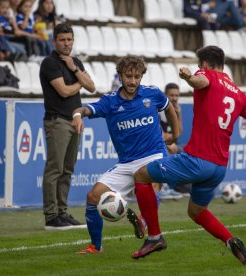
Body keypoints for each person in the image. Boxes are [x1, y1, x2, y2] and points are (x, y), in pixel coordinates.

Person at [130, 45, 246, 264]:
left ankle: (154, 237)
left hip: (195, 161)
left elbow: (202, 82)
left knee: (141, 175)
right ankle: (231, 242)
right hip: (218, 169)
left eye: (199, 65)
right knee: (196, 211)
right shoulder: (239, 93)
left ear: (205, 64)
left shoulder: (205, 74)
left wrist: (190, 78)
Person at [71, 55, 180, 254]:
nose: (132, 81)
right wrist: (77, 115)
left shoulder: (152, 94)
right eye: (128, 76)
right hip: (127, 162)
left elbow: (169, 108)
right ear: (120, 76)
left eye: (137, 76)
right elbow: (84, 109)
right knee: (93, 196)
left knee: (151, 185)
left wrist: (176, 133)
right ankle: (96, 246)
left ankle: (144, 221)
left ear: (141, 76)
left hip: (154, 154)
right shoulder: (110, 101)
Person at [40, 23, 95, 230]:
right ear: (54, 41)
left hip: (75, 121)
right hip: (58, 121)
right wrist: (80, 80)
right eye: (62, 40)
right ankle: (51, 216)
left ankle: (62, 213)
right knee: (55, 169)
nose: (66, 43)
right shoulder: (49, 63)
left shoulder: (75, 62)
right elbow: (64, 91)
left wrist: (74, 69)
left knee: (68, 170)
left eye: (69, 39)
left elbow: (92, 86)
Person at [155, 82, 185, 200]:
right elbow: (155, 131)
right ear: (165, 95)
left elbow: (179, 132)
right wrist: (168, 139)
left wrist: (177, 115)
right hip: (157, 144)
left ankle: (174, 186)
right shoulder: (158, 109)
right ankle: (162, 187)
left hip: (169, 143)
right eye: (171, 95)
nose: (174, 98)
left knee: (188, 154)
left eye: (177, 95)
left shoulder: (177, 109)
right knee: (171, 150)